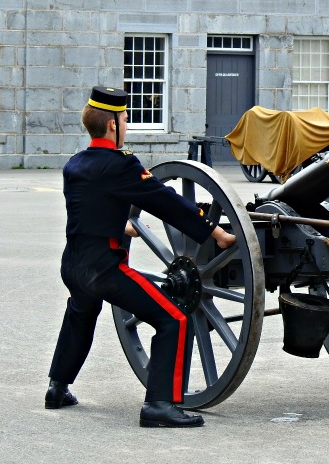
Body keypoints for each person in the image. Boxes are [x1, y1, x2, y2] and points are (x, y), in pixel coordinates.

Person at [45, 86, 237, 427]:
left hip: (73, 264)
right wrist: (215, 232)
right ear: (111, 126)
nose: (128, 125)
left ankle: (57, 387)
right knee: (173, 318)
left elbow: (89, 208)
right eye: (125, 119)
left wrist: (123, 229)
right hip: (104, 269)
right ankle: (158, 405)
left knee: (81, 312)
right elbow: (166, 202)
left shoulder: (75, 164)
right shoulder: (121, 165)